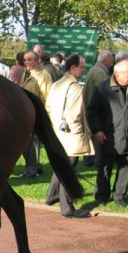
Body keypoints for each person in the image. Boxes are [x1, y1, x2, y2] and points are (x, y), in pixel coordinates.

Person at [45, 54, 93, 218]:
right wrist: (80, 135)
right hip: (71, 135)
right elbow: (74, 115)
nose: (84, 70)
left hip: (58, 132)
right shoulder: (74, 87)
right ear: (73, 68)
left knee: (61, 166)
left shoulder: (57, 84)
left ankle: (51, 196)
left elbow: (48, 107)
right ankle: (67, 208)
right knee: (68, 171)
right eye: (82, 67)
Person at [87, 59, 128, 208]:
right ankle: (101, 195)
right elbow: (92, 111)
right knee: (105, 168)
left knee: (126, 167)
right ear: (117, 74)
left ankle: (120, 195)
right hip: (108, 136)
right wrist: (97, 130)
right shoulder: (102, 88)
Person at [82, 50, 115, 167]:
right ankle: (97, 161)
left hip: (90, 107)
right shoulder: (100, 72)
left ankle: (89, 160)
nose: (112, 63)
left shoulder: (94, 69)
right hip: (96, 109)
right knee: (97, 135)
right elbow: (104, 93)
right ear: (105, 60)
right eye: (111, 59)